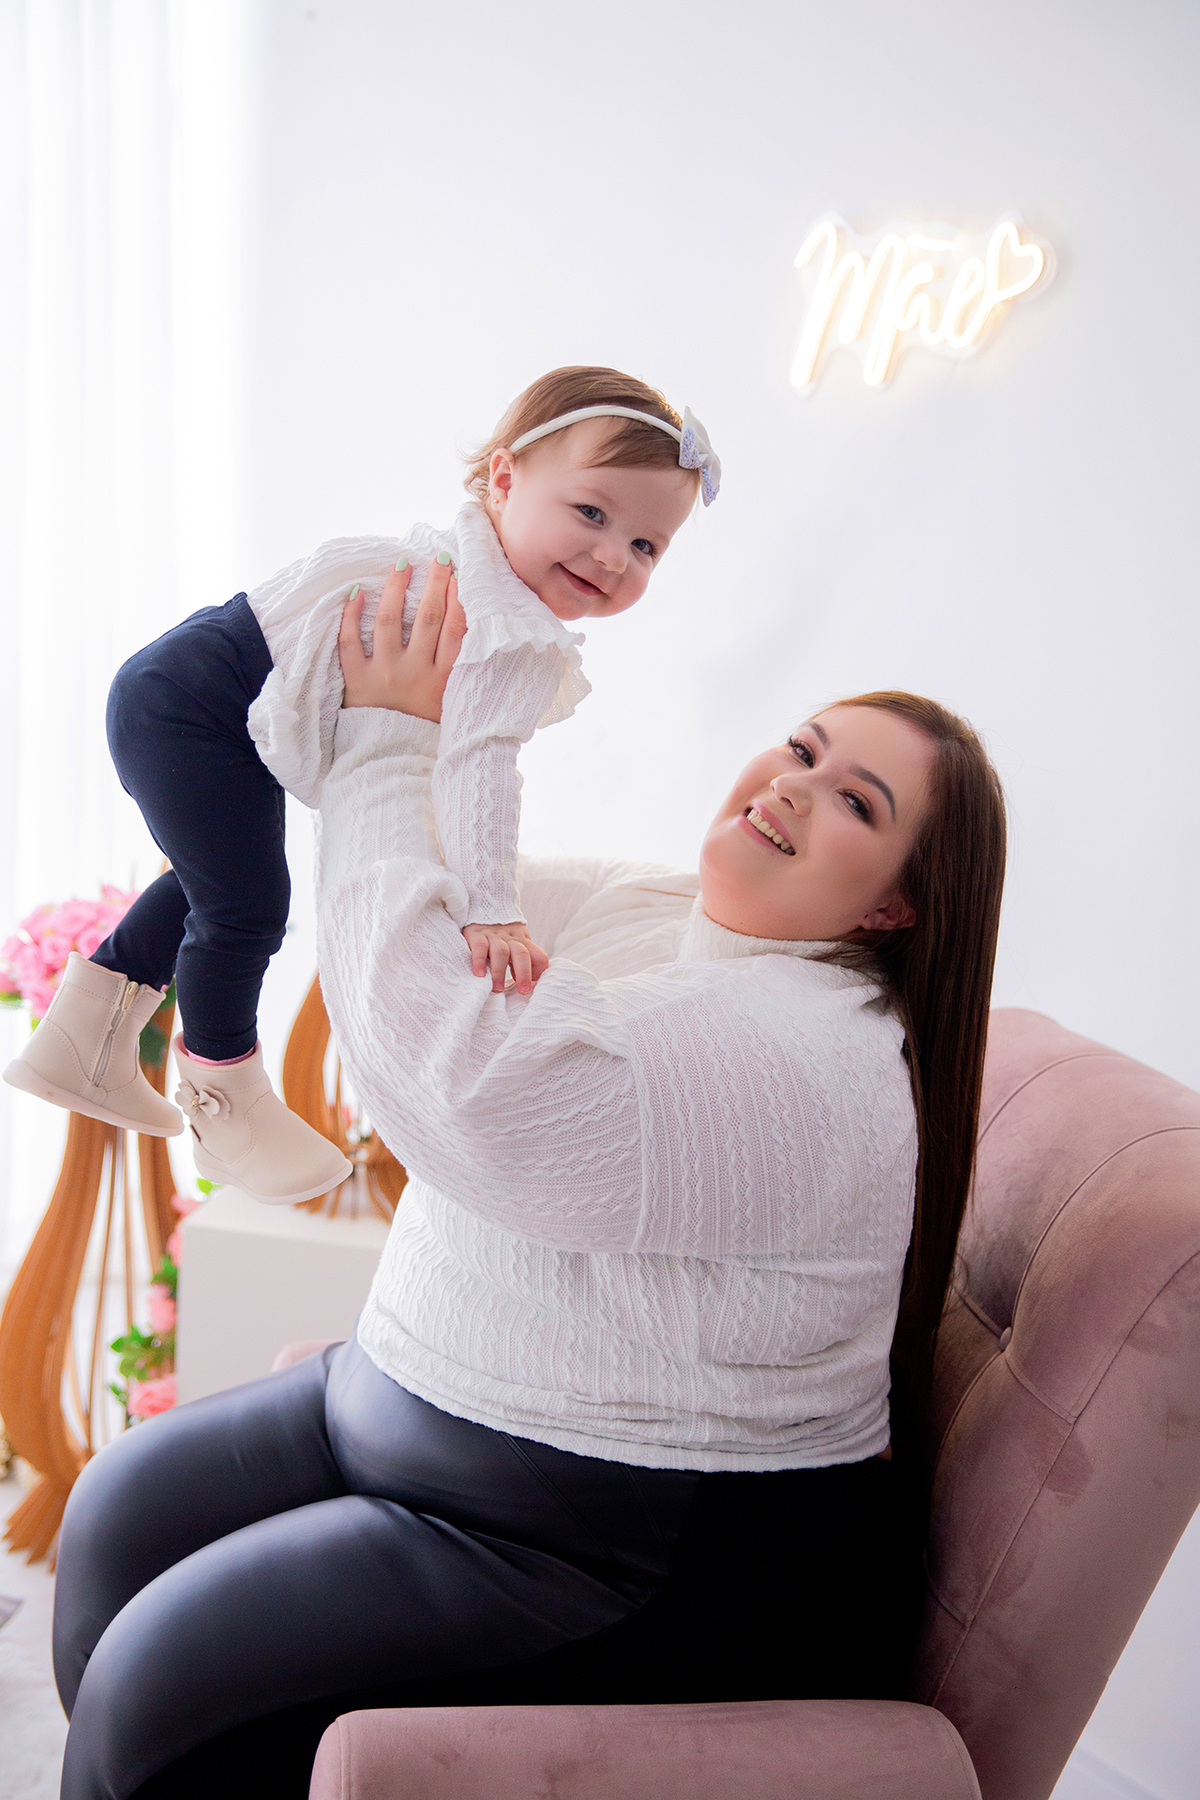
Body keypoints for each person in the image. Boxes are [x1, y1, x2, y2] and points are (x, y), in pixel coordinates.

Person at [52, 560, 1006, 1800]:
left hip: (597, 1533)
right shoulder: (662, 912)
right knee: (115, 1517)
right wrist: (338, 719)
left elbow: (453, 1089)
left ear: (893, 912)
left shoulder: (802, 1055)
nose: (794, 786)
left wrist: (394, 739)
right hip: (414, 1394)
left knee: (152, 1695)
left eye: (855, 802)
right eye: (802, 749)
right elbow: (414, 901)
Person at [4, 367, 714, 1204]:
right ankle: (226, 1098)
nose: (610, 555)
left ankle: (80, 1039)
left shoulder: (455, 562)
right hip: (199, 704)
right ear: (504, 478)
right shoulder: (500, 626)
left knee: (214, 885)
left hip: (187, 687)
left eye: (645, 547)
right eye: (592, 513)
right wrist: (494, 906)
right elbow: (479, 766)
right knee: (247, 906)